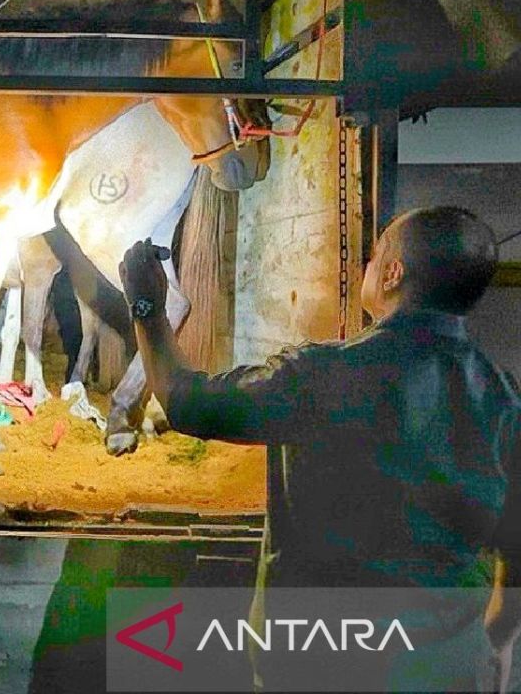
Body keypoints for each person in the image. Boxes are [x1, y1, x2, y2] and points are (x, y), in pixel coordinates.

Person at [121, 206, 520, 691]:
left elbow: (189, 404)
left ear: (393, 273)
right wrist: (497, 641)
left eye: (376, 254)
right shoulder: (504, 398)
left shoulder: (320, 375)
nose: (368, 263)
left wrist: (146, 305)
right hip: (444, 666)